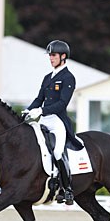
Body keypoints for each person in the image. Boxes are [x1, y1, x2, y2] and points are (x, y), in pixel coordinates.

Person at [22, 40, 83, 205]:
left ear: (63, 57)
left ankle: (67, 189)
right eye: (50, 55)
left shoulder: (68, 77)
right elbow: (39, 99)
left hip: (58, 121)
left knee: (57, 153)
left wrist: (41, 110)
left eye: (53, 55)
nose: (50, 58)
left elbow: (62, 104)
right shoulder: (48, 77)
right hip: (44, 119)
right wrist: (28, 111)